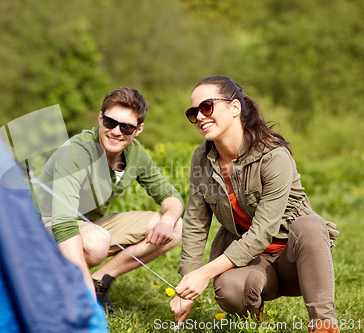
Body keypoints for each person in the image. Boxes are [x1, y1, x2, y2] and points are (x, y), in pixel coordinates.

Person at [170, 76, 340, 333]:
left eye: (207, 107)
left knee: (311, 225)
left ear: (234, 107)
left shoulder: (274, 155)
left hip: (295, 261)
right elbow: (195, 222)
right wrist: (186, 285)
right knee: (229, 291)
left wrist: (204, 273)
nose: (200, 117)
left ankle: (324, 324)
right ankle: (254, 307)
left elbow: (262, 232)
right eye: (193, 113)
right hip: (253, 262)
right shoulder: (201, 158)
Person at [35, 87, 183, 314]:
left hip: (85, 225)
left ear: (138, 129)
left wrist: (168, 219)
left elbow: (170, 196)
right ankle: (61, 288)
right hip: (43, 227)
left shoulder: (136, 154)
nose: (116, 131)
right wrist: (86, 297)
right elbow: (63, 223)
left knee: (177, 226)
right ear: (100, 118)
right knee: (96, 244)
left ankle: (98, 281)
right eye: (110, 123)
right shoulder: (76, 152)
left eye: (126, 127)